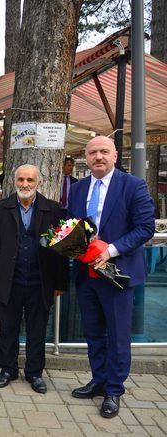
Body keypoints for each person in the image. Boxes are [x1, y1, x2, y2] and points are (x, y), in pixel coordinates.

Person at [68, 136, 155, 419]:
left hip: (117, 274)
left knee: (118, 335)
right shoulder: (78, 189)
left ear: (115, 155)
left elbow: (145, 227)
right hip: (86, 274)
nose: (98, 157)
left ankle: (114, 390)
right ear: (86, 157)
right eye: (93, 152)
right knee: (93, 332)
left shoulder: (133, 185)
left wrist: (111, 250)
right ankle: (99, 380)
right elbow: (73, 226)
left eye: (104, 151)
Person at [0, 165, 68, 394]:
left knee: (37, 330)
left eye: (30, 180)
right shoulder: (1, 208)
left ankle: (34, 373)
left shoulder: (53, 209)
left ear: (38, 182)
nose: (25, 184)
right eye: (21, 179)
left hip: (41, 280)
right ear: (14, 182)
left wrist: (60, 282)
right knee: (8, 329)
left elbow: (61, 250)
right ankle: (8, 369)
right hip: (9, 280)